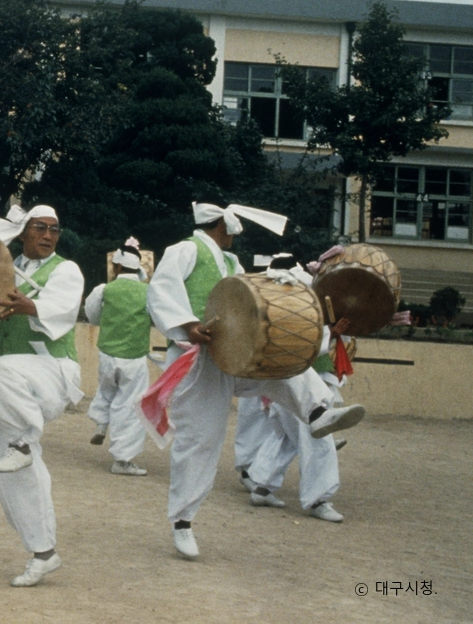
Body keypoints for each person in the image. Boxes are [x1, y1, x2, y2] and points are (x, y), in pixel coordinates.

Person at [144, 201, 365, 560]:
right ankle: (182, 521)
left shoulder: (232, 262)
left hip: (234, 355)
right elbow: (161, 289)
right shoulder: (186, 249)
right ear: (222, 225)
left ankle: (317, 413)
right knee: (200, 441)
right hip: (197, 360)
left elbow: (250, 302)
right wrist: (188, 324)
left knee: (284, 366)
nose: (235, 235)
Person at [0, 205, 85, 587]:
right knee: (6, 469)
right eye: (40, 228)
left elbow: (61, 309)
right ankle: (43, 552)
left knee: (0, 370)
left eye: (55, 229)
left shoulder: (66, 270)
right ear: (23, 232)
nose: (49, 235)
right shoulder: (4, 271)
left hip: (52, 371)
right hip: (15, 387)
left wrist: (31, 305)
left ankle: (23, 440)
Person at [245, 254, 348, 523]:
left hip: (278, 377)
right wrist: (332, 333)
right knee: (317, 435)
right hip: (300, 380)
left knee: (285, 435)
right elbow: (308, 341)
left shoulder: (262, 292)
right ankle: (319, 499)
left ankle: (262, 487)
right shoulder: (301, 290)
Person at [82, 240, 151, 476]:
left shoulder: (103, 289)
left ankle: (101, 423)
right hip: (134, 356)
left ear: (117, 266)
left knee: (106, 390)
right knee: (130, 405)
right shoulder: (148, 292)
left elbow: (92, 316)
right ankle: (122, 459)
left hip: (107, 353)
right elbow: (157, 317)